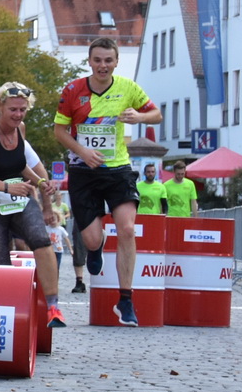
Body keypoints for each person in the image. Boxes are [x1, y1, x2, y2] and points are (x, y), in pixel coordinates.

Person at [53, 37, 162, 327]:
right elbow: (59, 130)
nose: (103, 65)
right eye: (98, 60)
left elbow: (157, 114)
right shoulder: (73, 90)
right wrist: (83, 152)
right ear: (89, 61)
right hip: (83, 171)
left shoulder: (127, 87)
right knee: (90, 238)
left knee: (127, 229)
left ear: (116, 62)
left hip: (118, 169)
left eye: (108, 60)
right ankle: (95, 246)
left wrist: (139, 116)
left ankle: (125, 299)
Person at [0, 83, 67, 329]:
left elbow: (18, 163)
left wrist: (39, 182)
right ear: (0, 108)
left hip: (18, 200)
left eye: (22, 110)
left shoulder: (21, 129)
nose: (18, 115)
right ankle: (8, 324)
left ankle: (53, 306)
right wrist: (5, 187)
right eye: (13, 110)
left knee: (40, 239)